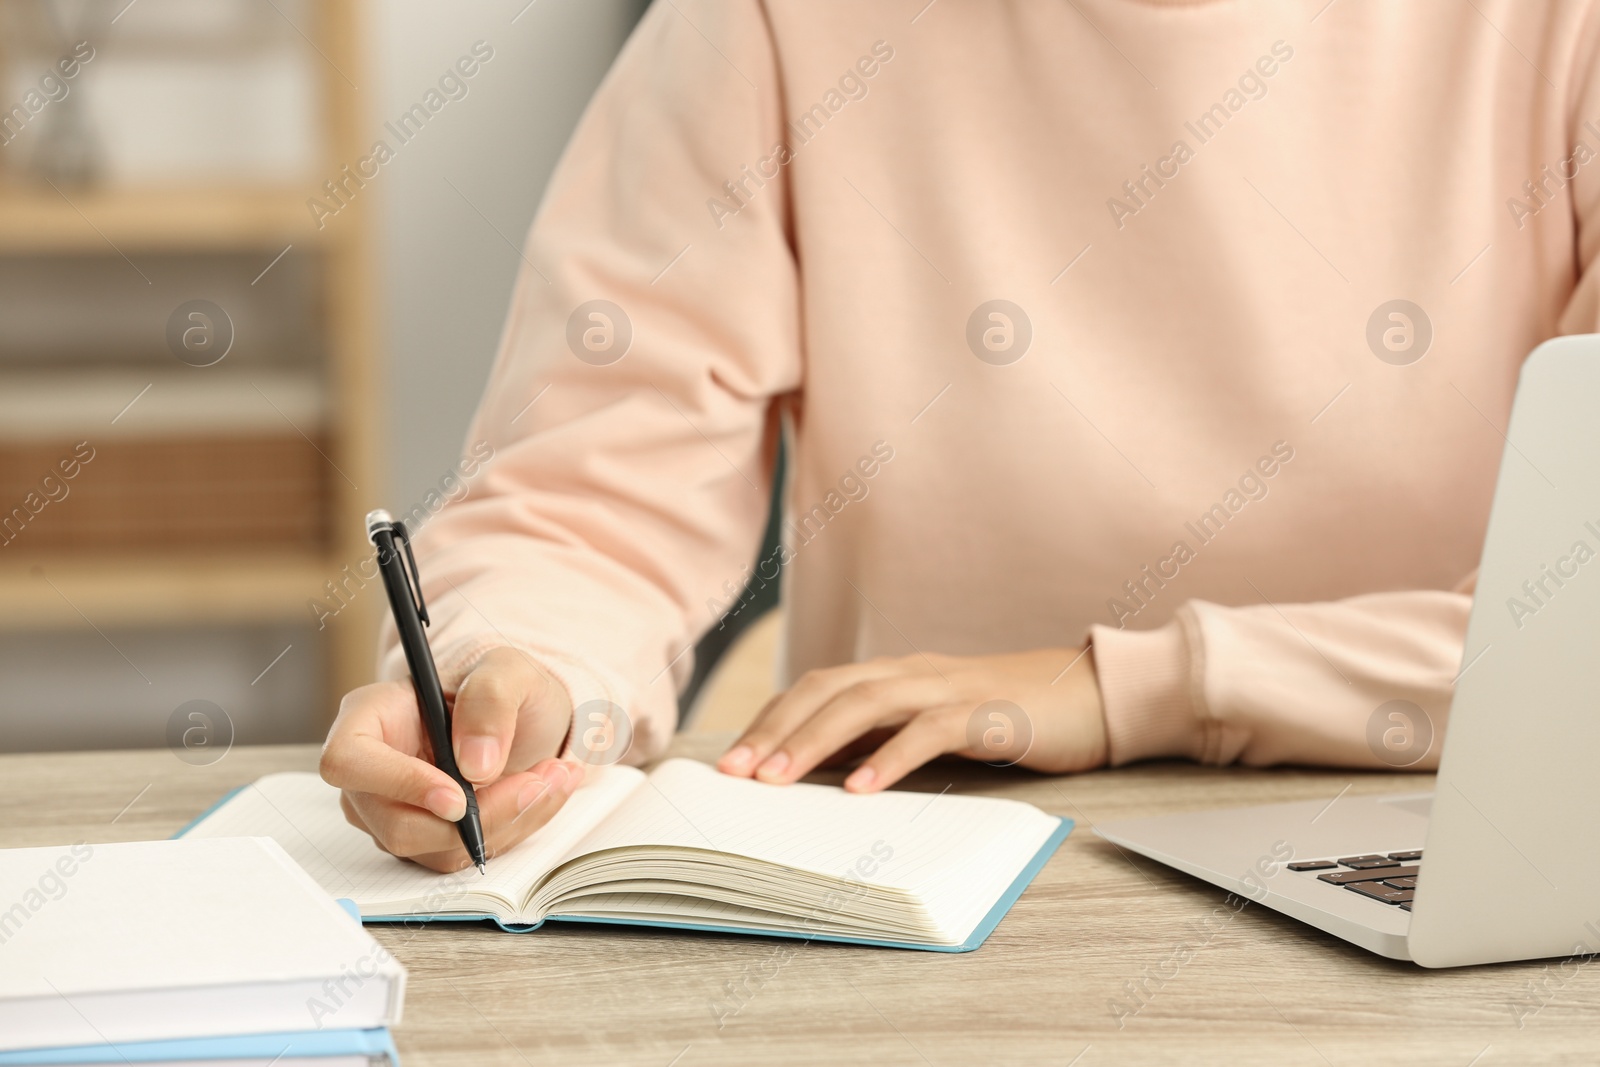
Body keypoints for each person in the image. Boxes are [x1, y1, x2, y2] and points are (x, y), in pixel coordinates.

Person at [319, 0, 1599, 871]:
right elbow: (588, 504)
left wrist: (1119, 689)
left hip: (1451, 861)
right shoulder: (771, 24)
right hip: (905, 885)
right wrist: (516, 680)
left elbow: (1576, 614)